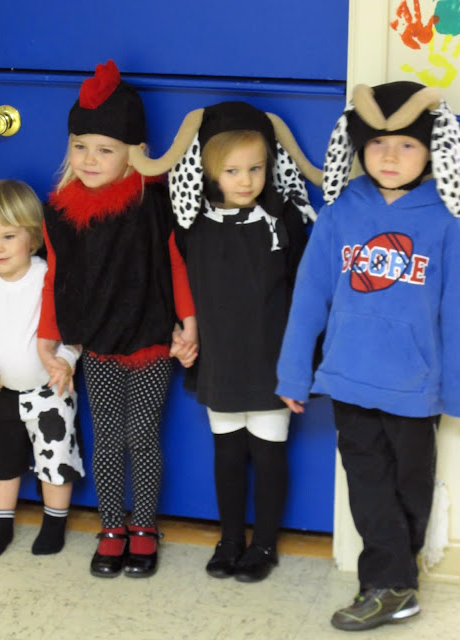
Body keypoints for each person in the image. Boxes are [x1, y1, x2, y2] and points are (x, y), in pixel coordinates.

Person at [276, 81, 460, 630]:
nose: (389, 156)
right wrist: (294, 371)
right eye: (378, 143)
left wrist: (453, 388)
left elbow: (455, 310)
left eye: (406, 144)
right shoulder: (341, 212)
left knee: (409, 489)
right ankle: (386, 587)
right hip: (349, 378)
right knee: (369, 486)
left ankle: (397, 584)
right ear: (359, 147)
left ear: (431, 150)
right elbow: (309, 296)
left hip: (415, 386)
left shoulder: (446, 220)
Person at [130, 100, 321, 582]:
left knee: (269, 454)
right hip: (220, 359)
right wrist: (181, 331)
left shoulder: (284, 220)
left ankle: (265, 545)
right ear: (210, 170)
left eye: (256, 168)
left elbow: (308, 293)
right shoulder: (193, 224)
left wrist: (302, 365)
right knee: (228, 453)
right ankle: (230, 539)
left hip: (273, 362)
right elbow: (179, 285)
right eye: (232, 170)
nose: (246, 180)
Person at [37, 60, 196, 579]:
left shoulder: (153, 203)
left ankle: (144, 525)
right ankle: (111, 527)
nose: (90, 159)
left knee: (143, 435)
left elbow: (176, 264)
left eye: (105, 149)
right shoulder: (61, 212)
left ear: (134, 152)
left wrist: (189, 322)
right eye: (80, 146)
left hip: (151, 340)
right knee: (106, 437)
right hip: (99, 345)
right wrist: (48, 338)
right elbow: (55, 278)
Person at [0, 179, 84, 559]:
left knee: (56, 460)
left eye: (8, 236)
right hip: (2, 392)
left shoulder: (47, 276)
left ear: (32, 238)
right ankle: (1, 526)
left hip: (50, 390)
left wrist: (67, 361)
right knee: (1, 462)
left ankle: (54, 524)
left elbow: (74, 329)